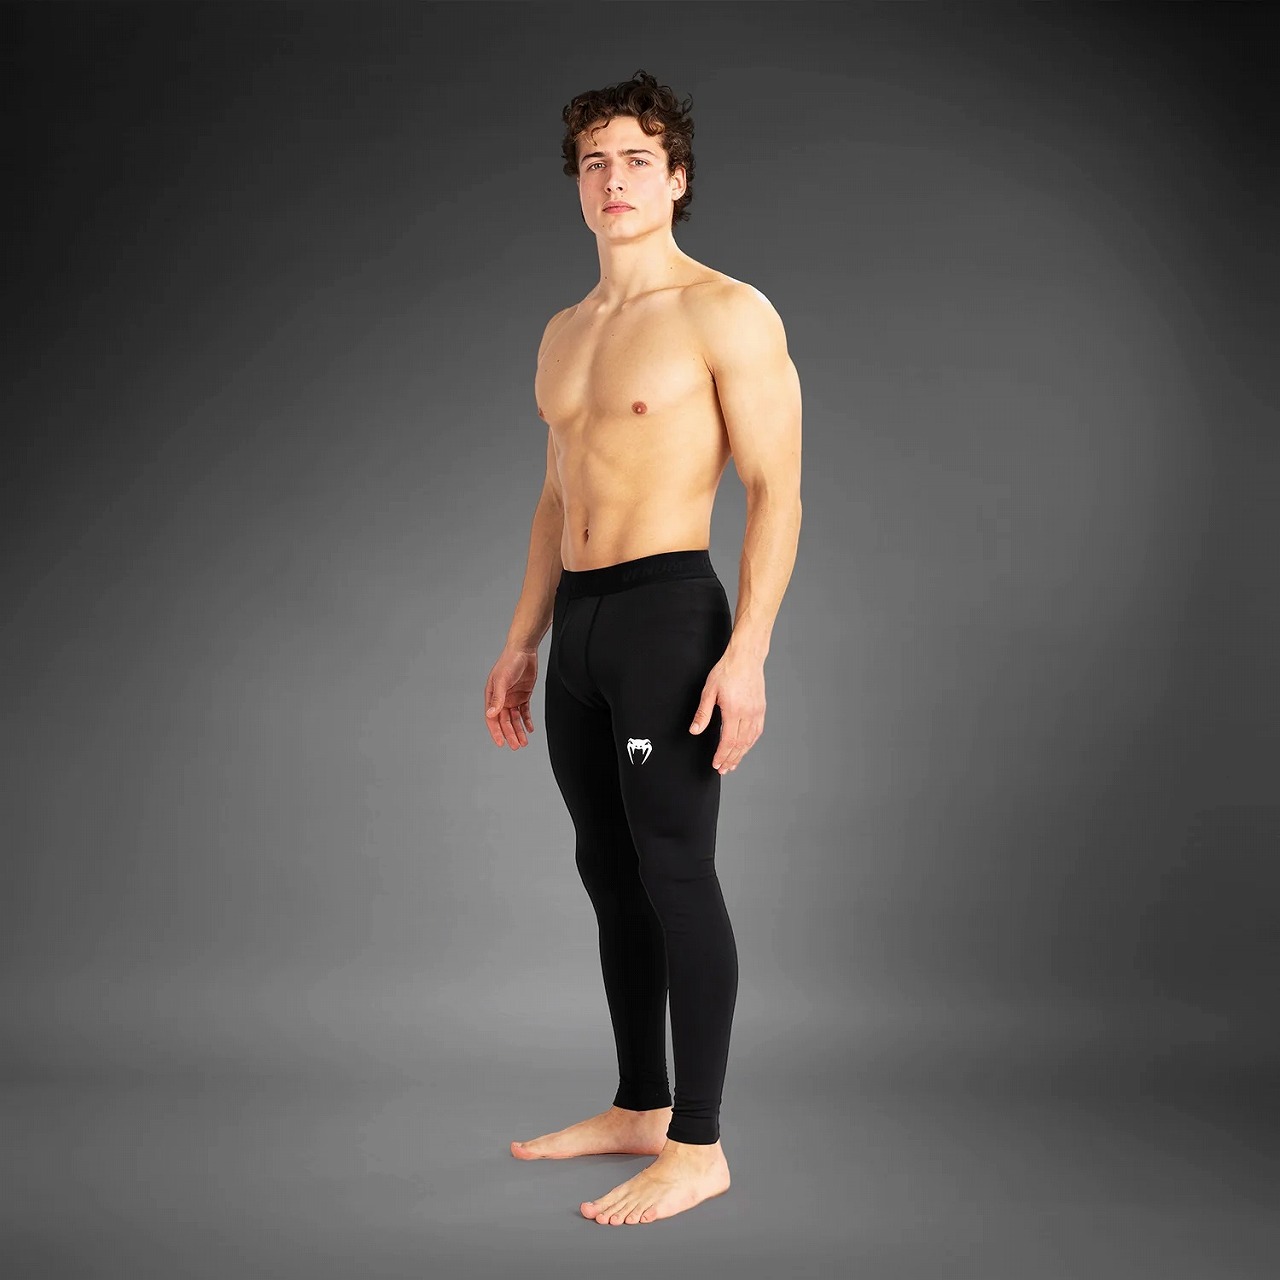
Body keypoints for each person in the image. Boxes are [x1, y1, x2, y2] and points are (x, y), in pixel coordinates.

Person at [482, 69, 802, 1226]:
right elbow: (553, 491)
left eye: (635, 160)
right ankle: (638, 1105)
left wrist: (747, 650)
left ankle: (699, 1145)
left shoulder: (725, 311)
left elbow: (775, 489)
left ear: (675, 179)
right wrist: (522, 638)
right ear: (576, 186)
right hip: (578, 626)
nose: (612, 179)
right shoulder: (564, 332)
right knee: (606, 870)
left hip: (668, 616)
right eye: (593, 163)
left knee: (673, 869)